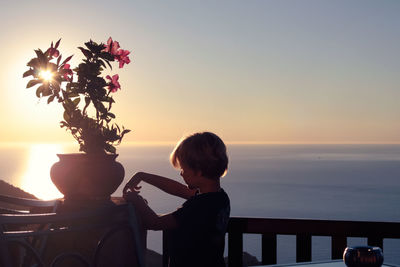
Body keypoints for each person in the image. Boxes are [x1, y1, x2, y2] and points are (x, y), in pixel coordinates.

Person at [123, 132, 230, 267]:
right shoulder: (219, 198)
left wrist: (136, 200)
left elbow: (155, 223)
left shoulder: (198, 207)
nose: (181, 173)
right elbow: (179, 189)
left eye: (183, 169)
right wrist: (143, 176)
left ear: (198, 170)